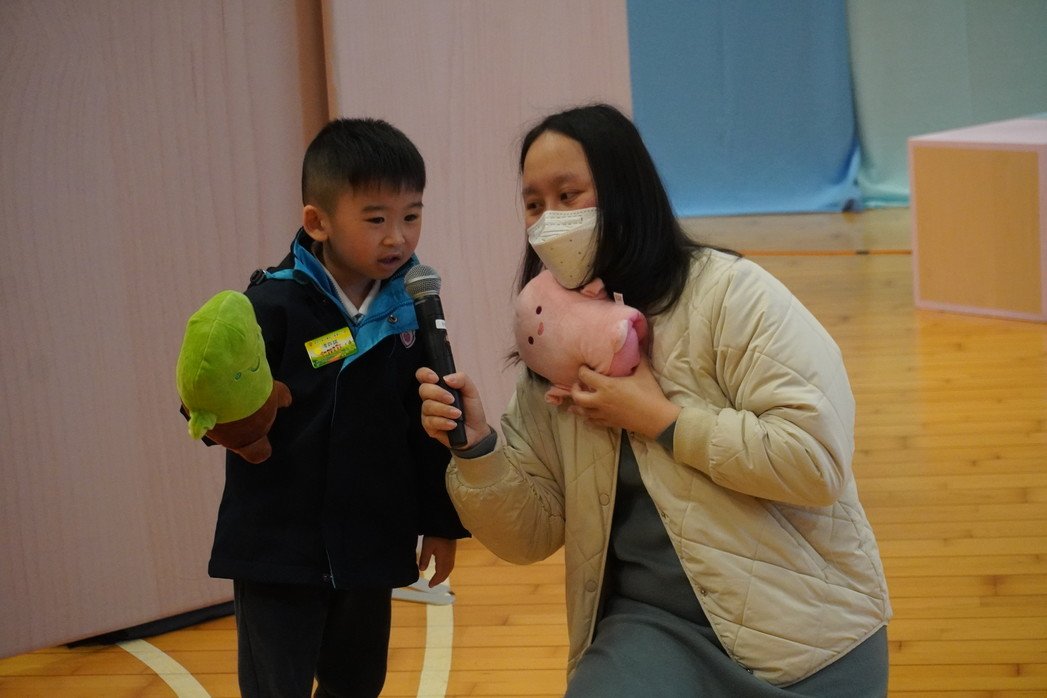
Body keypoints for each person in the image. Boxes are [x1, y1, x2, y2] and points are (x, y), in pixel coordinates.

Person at [417, 103, 891, 696]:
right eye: (534, 204)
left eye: (569, 195)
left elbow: (814, 462)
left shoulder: (730, 294)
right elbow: (529, 535)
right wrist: (478, 449)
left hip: (805, 630)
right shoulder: (550, 344)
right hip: (652, 631)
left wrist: (662, 420)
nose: (549, 220)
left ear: (625, 191)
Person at [208, 117, 469, 698]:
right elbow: (218, 399)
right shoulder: (270, 303)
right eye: (376, 219)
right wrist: (225, 420)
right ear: (317, 222)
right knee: (274, 687)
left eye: (411, 216)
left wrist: (440, 522)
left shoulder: (413, 309)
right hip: (277, 548)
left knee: (358, 682)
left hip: (371, 542)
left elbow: (428, 425)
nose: (397, 237)